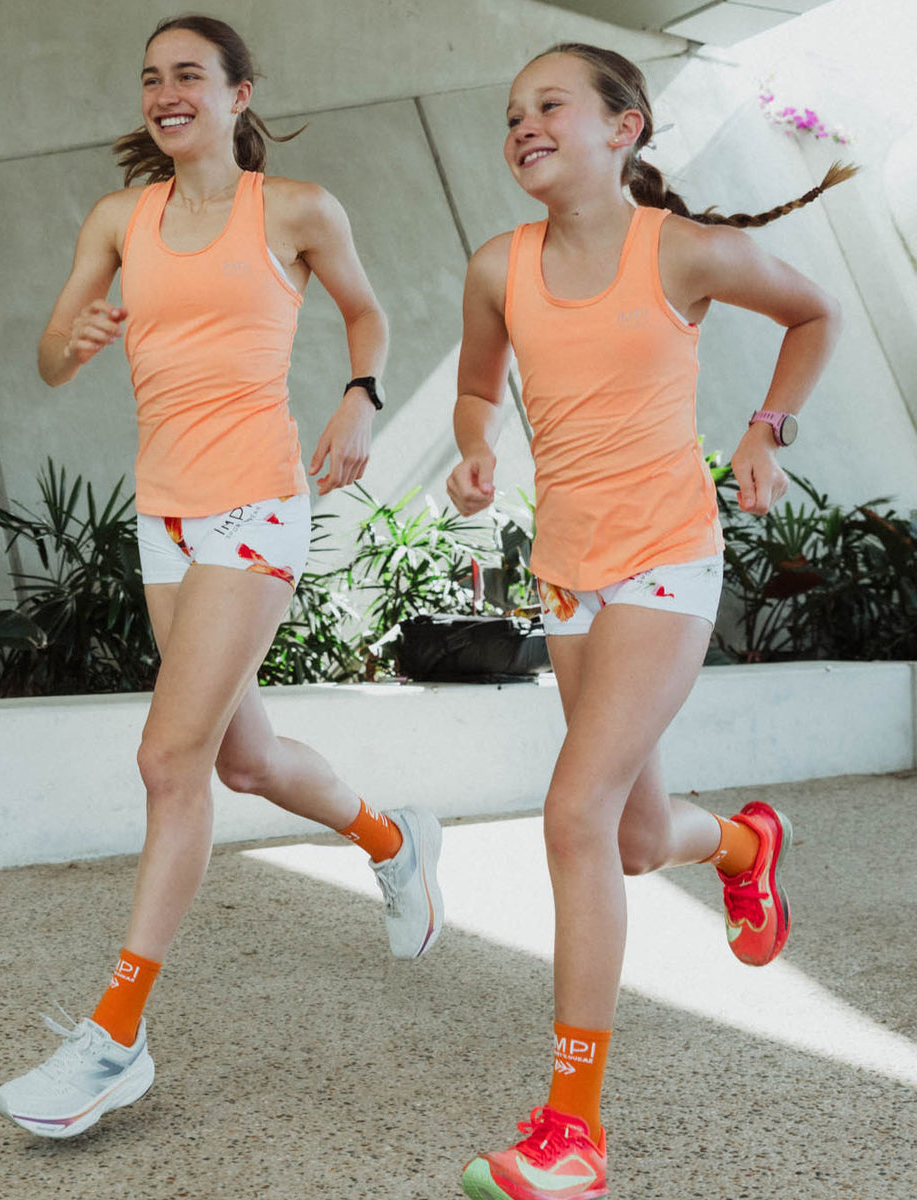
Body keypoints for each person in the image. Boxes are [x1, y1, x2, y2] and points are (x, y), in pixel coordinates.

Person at [0, 13, 444, 1140]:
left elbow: (368, 312)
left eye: (189, 74)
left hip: (255, 503)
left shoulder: (291, 208)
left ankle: (115, 1036)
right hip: (165, 512)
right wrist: (83, 331)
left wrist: (360, 395)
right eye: (151, 78)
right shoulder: (119, 218)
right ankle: (394, 841)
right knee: (242, 758)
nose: (165, 91)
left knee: (167, 758)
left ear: (241, 95)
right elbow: (50, 359)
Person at [447, 42, 851, 1200]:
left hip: (668, 560)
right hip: (568, 574)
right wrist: (475, 446)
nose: (524, 124)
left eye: (551, 105)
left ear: (625, 128)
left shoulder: (683, 253)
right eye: (512, 112)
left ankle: (573, 1132)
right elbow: (479, 387)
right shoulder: (498, 268)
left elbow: (814, 314)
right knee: (630, 837)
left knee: (574, 814)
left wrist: (768, 428)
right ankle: (741, 845)